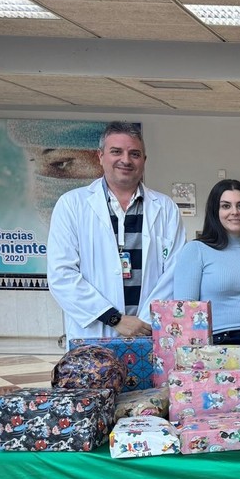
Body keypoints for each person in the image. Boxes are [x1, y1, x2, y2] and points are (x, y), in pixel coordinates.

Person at [47, 121, 186, 340]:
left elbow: (175, 272)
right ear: (100, 157)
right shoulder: (72, 205)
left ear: (144, 160)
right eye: (116, 152)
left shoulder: (166, 208)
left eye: (134, 154)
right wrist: (114, 318)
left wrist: (145, 322)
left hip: (150, 332)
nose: (126, 160)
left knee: (150, 376)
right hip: (95, 332)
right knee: (97, 375)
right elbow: (61, 275)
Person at [172, 179, 240, 351]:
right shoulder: (195, 250)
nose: (235, 212)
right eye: (226, 206)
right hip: (218, 345)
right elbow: (185, 312)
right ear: (214, 211)